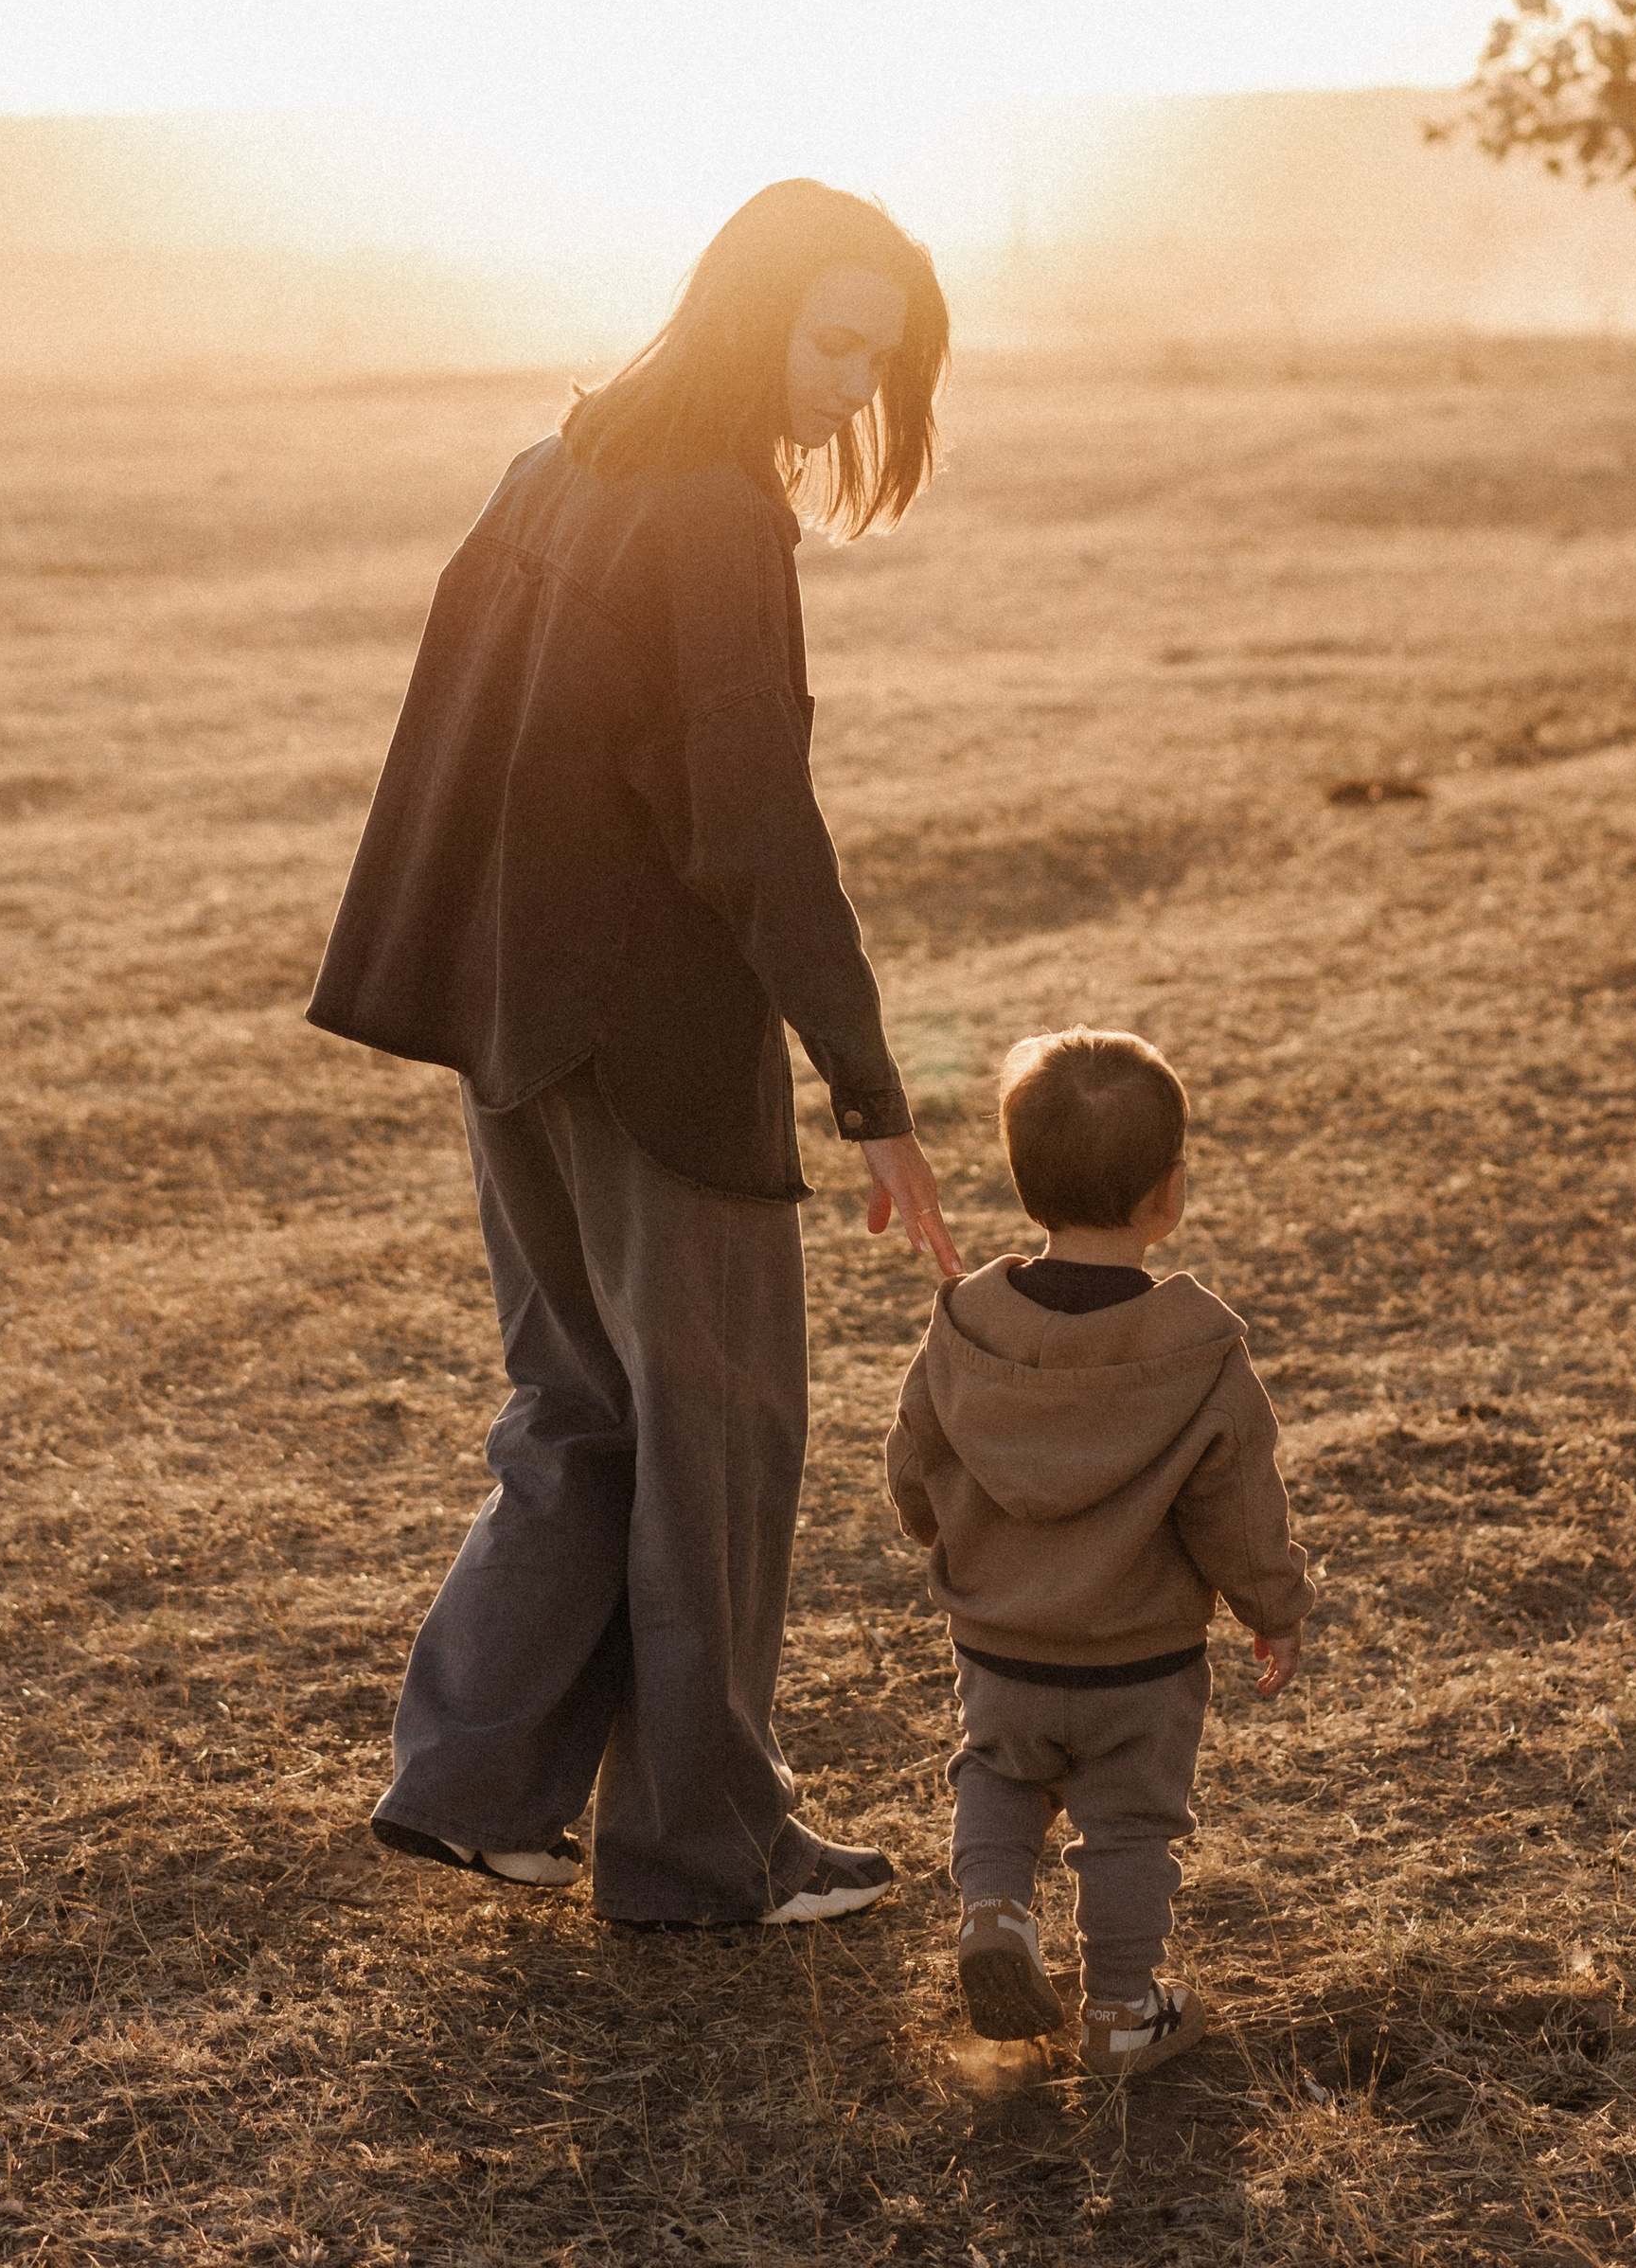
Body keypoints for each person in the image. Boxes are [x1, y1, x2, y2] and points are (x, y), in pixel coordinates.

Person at [309, 179, 963, 1928]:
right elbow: (754, 828)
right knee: (717, 1439)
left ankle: (475, 1788)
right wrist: (872, 1094)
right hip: (652, 1052)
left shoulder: (554, 468)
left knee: (582, 1408)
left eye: (881, 360)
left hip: (511, 1029)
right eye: (835, 342)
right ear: (751, 314)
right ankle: (703, 1851)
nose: (851, 386)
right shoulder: (714, 517)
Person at [885, 1027, 1310, 2076]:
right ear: (1168, 1193)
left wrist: (940, 1531)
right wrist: (1274, 1607)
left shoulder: (966, 1326)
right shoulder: (1197, 1352)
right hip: (1140, 1663)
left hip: (1001, 1646)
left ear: (1024, 1182)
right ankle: (1121, 2008)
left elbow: (913, 1456)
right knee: (1126, 1827)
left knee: (996, 1776)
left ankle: (995, 1911)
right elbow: (1239, 1509)